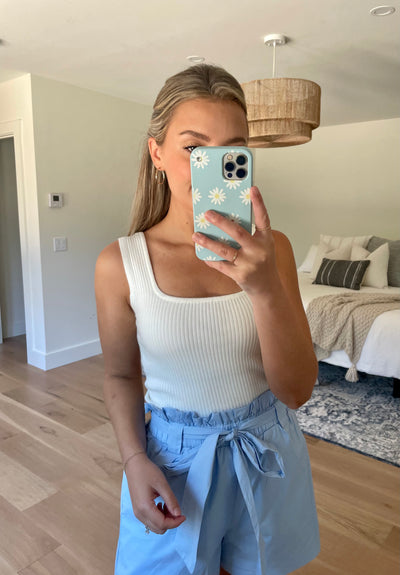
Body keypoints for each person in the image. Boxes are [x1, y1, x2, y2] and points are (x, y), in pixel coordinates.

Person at [95, 64, 320, 575]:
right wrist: (133, 460)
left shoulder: (277, 251)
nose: (214, 167)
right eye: (195, 149)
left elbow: (297, 391)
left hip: (267, 448)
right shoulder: (120, 264)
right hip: (171, 463)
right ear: (156, 153)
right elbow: (120, 375)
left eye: (233, 150)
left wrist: (263, 289)